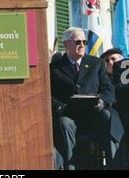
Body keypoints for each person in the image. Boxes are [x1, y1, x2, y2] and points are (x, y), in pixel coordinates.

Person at [50, 27, 123, 169]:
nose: (82, 45)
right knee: (64, 123)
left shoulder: (96, 63)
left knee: (109, 117)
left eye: (84, 41)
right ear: (66, 45)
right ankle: (70, 167)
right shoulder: (54, 68)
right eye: (78, 42)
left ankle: (114, 165)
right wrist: (60, 107)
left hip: (95, 114)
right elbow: (49, 95)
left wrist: (102, 101)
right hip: (69, 115)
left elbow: (108, 89)